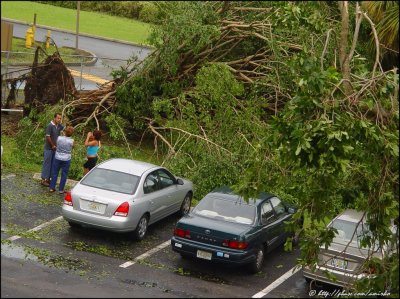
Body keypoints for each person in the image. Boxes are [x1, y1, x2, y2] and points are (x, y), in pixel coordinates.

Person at [41, 113, 64, 186]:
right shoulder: (50, 126)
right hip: (48, 148)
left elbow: (65, 130)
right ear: (54, 118)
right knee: (47, 163)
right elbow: (48, 137)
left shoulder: (59, 126)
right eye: (58, 118)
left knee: (53, 164)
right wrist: (53, 145)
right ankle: (43, 179)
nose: (59, 120)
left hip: (55, 149)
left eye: (60, 118)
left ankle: (48, 179)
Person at [49, 126, 74, 193]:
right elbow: (72, 148)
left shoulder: (59, 138)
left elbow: (57, 144)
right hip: (67, 158)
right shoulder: (72, 141)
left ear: (65, 132)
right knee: (64, 174)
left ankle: (52, 187)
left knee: (54, 172)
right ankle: (61, 189)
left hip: (57, 156)